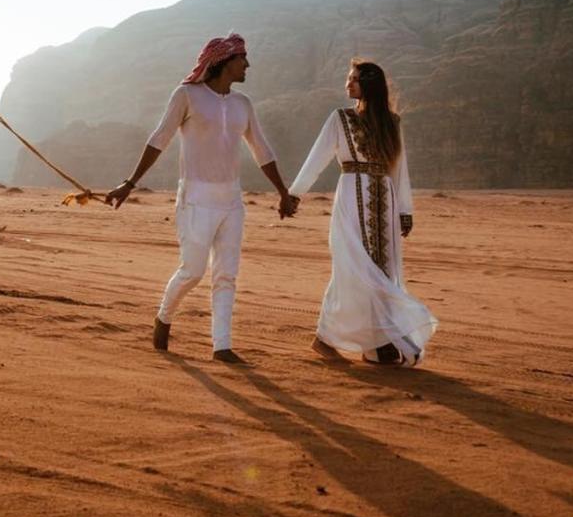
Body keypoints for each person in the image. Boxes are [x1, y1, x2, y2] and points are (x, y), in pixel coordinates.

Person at [106, 33, 298, 364]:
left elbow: (261, 150)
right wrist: (130, 183)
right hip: (196, 198)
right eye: (242, 59)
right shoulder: (188, 95)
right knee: (193, 271)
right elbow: (159, 139)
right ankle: (164, 316)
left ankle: (221, 346)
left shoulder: (243, 104)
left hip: (231, 201)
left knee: (226, 275)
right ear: (224, 62)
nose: (248, 64)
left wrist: (283, 192)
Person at [288, 59, 437, 367]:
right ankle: (327, 339)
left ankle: (377, 342)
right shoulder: (339, 119)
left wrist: (405, 210)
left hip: (386, 201)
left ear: (369, 85)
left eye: (354, 79)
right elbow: (316, 159)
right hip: (350, 203)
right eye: (349, 78)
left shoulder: (392, 123)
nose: (348, 84)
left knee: (382, 272)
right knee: (352, 269)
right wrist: (294, 194)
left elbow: (398, 168)